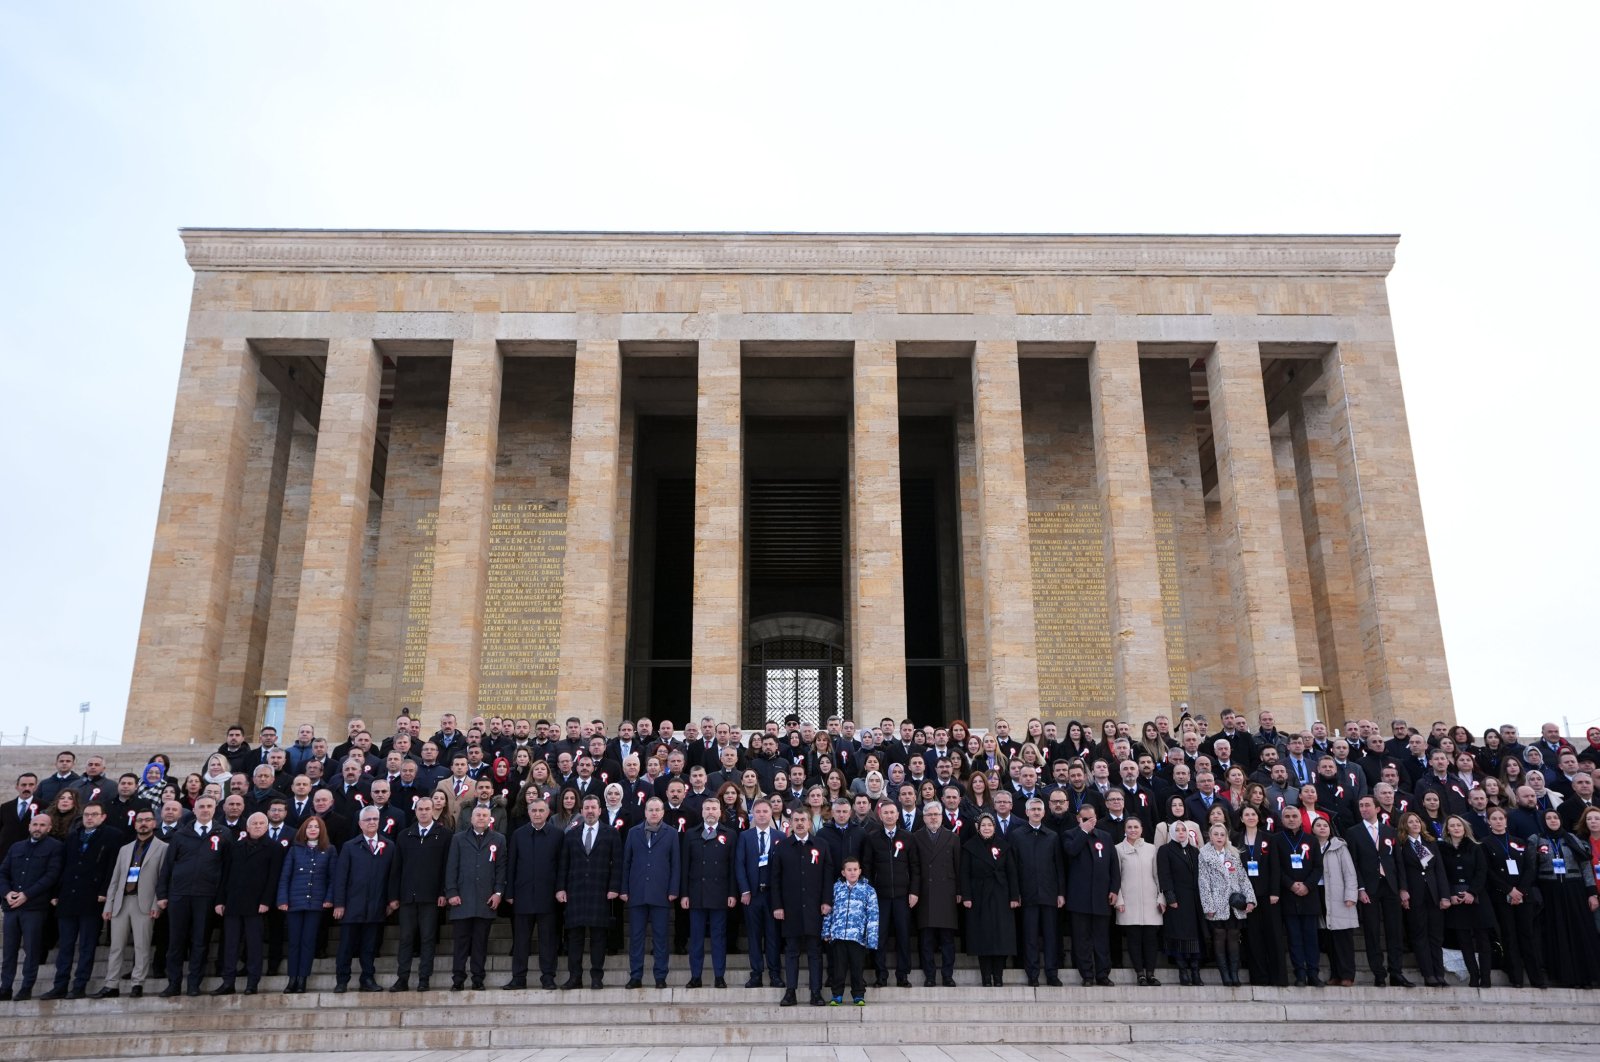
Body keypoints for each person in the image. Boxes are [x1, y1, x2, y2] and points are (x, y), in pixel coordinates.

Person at [40, 801, 119, 1000]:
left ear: (103, 817)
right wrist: (57, 893)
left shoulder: (112, 836)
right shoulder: (73, 836)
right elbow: (64, 866)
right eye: (86, 815)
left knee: (87, 945)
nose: (89, 818)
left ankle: (79, 985)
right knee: (65, 945)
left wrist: (104, 892)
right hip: (68, 897)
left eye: (94, 814)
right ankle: (60, 984)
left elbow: (111, 868)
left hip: (92, 898)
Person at [157, 794, 231, 997]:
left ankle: (193, 984)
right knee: (175, 942)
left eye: (209, 806)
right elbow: (168, 867)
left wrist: (220, 899)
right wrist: (162, 894)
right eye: (201, 806)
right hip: (179, 895)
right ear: (194, 810)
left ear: (215, 809)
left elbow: (226, 870)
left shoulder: (223, 833)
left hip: (206, 896)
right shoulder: (181, 834)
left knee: (200, 942)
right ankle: (173, 983)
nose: (205, 809)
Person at [97, 808, 166, 998]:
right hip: (121, 902)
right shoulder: (125, 849)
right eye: (140, 820)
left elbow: (162, 880)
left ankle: (138, 983)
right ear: (135, 824)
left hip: (143, 903)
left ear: (154, 823)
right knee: (116, 947)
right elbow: (115, 879)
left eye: (147, 820)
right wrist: (109, 905)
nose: (143, 823)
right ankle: (111, 984)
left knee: (141, 946)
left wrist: (155, 905)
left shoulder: (163, 848)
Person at [213, 812, 283, 996]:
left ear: (267, 827)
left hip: (256, 905)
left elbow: (273, 878)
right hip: (233, 903)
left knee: (254, 946)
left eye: (261, 823)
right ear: (248, 826)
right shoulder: (235, 847)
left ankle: (252, 983)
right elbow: (225, 875)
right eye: (254, 823)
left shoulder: (274, 848)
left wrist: (266, 901)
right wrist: (220, 900)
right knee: (230, 945)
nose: (258, 826)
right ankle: (228, 982)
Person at [1345, 795, 1412, 987]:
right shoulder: (1353, 832)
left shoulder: (1390, 831)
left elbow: (1398, 862)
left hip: (1390, 886)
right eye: (1361, 806)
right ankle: (1379, 973)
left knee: (1395, 931)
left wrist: (1403, 888)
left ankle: (1396, 972)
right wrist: (1360, 888)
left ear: (1377, 809)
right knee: (1372, 932)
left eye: (1367, 805)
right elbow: (1353, 863)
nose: (1364, 809)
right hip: (1369, 887)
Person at [556, 793, 621, 990]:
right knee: (574, 937)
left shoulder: (611, 833)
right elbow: (563, 864)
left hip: (600, 892)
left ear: (600, 811)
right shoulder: (571, 834)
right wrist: (560, 888)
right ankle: (575, 977)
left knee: (598, 937)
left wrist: (614, 887)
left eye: (594, 808)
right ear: (581, 811)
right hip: (576, 892)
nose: (590, 811)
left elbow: (618, 863)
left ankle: (596, 977)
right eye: (587, 808)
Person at [771, 806, 833, 1007]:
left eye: (803, 820)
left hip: (815, 908)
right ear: (792, 822)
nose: (799, 823)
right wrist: (778, 905)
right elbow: (776, 879)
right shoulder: (782, 846)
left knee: (815, 951)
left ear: (809, 822)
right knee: (792, 951)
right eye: (796, 819)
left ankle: (816, 993)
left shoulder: (821, 845)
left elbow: (827, 876)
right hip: (790, 909)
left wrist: (826, 901)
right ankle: (791, 992)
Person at [1531, 808, 1600, 987]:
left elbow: (1586, 866)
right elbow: (1531, 869)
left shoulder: (1572, 839)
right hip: (1550, 892)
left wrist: (1592, 893)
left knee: (1580, 933)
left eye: (1556, 817)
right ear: (1543, 821)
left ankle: (1586, 977)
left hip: (1574, 890)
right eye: (1549, 818)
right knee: (1558, 933)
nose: (1553, 820)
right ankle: (1566, 977)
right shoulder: (1536, 840)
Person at [388, 795, 450, 992]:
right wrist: (393, 896)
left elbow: (446, 867)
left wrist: (443, 892)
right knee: (406, 938)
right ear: (415, 811)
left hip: (431, 897)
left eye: (427, 809)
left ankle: (424, 978)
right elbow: (396, 868)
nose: (423, 812)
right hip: (407, 897)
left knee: (427, 939)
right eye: (420, 809)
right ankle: (402, 978)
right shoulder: (405, 835)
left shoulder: (445, 834)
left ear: (433, 810)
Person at [332, 805, 396, 993]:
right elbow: (341, 877)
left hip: (376, 905)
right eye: (368, 820)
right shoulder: (350, 846)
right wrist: (339, 903)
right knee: (346, 947)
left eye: (375, 819)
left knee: (369, 948)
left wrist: (391, 900)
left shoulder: (389, 846)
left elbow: (392, 876)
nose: (372, 822)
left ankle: (367, 978)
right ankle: (342, 980)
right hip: (352, 906)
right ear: (360, 823)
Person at [502, 795, 563, 990]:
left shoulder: (557, 835)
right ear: (528, 813)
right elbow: (511, 865)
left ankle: (548, 977)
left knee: (548, 940)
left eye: (541, 811)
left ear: (548, 813)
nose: (537, 814)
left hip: (548, 896)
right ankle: (518, 978)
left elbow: (562, 866)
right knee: (521, 941)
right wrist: (509, 892)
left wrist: (560, 890)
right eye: (533, 811)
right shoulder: (518, 835)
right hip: (522, 896)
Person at [1481, 805, 1546, 988]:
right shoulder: (1485, 843)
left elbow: (1529, 868)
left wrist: (1521, 890)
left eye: (1501, 818)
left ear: (1506, 821)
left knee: (1528, 935)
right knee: (1509, 936)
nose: (1498, 821)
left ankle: (1536, 979)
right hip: (1502, 896)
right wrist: (1509, 890)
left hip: (1524, 896)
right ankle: (1516, 978)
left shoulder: (1520, 841)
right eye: (1494, 818)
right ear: (1488, 822)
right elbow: (1489, 872)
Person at [0, 812, 62, 1001]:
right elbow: (3, 872)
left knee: (32, 949)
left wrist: (27, 895)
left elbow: (51, 876)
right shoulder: (16, 847)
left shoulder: (56, 847)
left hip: (34, 907)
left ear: (49, 828)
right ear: (29, 826)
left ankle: (27, 987)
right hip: (12, 907)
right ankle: (5, 987)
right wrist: (7, 892)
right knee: (9, 950)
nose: (38, 828)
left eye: (43, 825)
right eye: (35, 824)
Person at [444, 804, 506, 991]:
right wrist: (452, 892)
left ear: (490, 819)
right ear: (471, 819)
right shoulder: (458, 839)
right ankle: (458, 979)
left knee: (480, 943)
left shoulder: (499, 839)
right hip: (462, 899)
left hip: (485, 900)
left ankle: (478, 979)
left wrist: (498, 893)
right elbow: (451, 867)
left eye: (484, 815)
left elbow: (501, 868)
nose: (481, 818)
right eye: (477, 815)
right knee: (461, 943)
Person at [620, 796, 679, 989]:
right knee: (636, 938)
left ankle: (660, 976)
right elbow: (626, 862)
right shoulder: (633, 832)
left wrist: (673, 889)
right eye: (650, 810)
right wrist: (624, 889)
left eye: (657, 810)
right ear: (645, 812)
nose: (654, 813)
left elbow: (675, 864)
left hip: (661, 893)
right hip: (637, 892)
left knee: (661, 938)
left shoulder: (671, 833)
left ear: (663, 812)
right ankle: (635, 976)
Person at [680, 796, 737, 989]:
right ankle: (696, 976)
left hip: (720, 894)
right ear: (702, 812)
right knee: (696, 938)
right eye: (707, 809)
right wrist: (685, 894)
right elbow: (685, 866)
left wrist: (732, 893)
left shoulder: (729, 834)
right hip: (696, 894)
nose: (711, 812)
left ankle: (719, 976)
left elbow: (732, 867)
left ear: (720, 812)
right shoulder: (690, 834)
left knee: (718, 938)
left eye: (714, 809)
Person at [276, 815, 335, 994]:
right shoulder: (295, 850)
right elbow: (285, 876)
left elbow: (332, 878)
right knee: (294, 942)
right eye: (309, 827)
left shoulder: (330, 850)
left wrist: (329, 898)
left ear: (321, 830)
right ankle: (292, 978)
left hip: (315, 903)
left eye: (316, 827)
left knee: (308, 942)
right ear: (304, 830)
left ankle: (302, 979)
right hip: (294, 903)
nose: (312, 830)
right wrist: (283, 900)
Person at [861, 798, 915, 988]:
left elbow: (915, 867)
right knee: (880, 937)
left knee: (903, 936)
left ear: (898, 815)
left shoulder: (908, 837)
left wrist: (914, 891)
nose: (889, 816)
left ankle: (903, 975)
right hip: (880, 897)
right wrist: (869, 892)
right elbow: (866, 866)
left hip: (902, 896)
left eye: (893, 812)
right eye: (886, 813)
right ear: (880, 815)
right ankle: (881, 975)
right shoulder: (872, 838)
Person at [1012, 796, 1066, 987]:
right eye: (1032, 809)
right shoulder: (1017, 835)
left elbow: (1058, 866)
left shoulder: (1052, 836)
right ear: (1026, 812)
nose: (1036, 812)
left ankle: (1052, 974)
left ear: (1044, 812)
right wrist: (1015, 893)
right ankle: (1032, 974)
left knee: (1051, 937)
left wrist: (1060, 893)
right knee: (1030, 937)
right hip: (1027, 896)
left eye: (1039, 809)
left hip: (1049, 894)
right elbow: (1014, 867)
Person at [1063, 804, 1119, 986]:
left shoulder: (1105, 837)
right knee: (1082, 939)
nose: (1089, 822)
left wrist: (1114, 889)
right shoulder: (1070, 835)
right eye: (1085, 819)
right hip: (1079, 898)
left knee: (1102, 939)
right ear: (1079, 818)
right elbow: (1071, 851)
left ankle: (1103, 974)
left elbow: (1114, 866)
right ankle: (1087, 974)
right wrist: (1084, 831)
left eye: (1092, 819)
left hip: (1101, 897)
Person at [1436, 814, 1495, 987]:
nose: (1456, 828)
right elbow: (1442, 874)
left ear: (1464, 828)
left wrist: (1472, 893)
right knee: (1464, 941)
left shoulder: (1476, 847)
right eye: (1452, 826)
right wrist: (1449, 894)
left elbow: (1481, 871)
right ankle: (1474, 975)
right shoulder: (1442, 849)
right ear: (1447, 829)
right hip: (1456, 900)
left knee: (1482, 940)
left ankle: (1486, 976)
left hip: (1477, 899)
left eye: (1459, 825)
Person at [908, 802, 960, 988]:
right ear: (924, 818)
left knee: (947, 940)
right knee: (927, 940)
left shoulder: (952, 838)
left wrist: (960, 892)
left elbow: (958, 867)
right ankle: (929, 976)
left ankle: (947, 975)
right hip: (925, 894)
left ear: (942, 816)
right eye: (929, 815)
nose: (933, 818)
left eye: (936, 814)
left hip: (947, 894)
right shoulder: (915, 837)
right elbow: (913, 867)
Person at [1198, 822, 1255, 986]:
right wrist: (1208, 906)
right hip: (1217, 903)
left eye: (1222, 835)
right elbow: (1203, 881)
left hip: (1234, 903)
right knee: (1219, 936)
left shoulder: (1233, 854)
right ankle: (1225, 974)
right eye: (1216, 834)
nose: (1219, 837)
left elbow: (1243, 878)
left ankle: (1234, 973)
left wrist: (1250, 899)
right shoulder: (1204, 854)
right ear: (1210, 836)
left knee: (1234, 937)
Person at [1236, 804, 1288, 986]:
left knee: (1273, 935)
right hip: (1247, 896)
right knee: (1253, 937)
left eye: (1253, 814)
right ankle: (1259, 977)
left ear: (1258, 818)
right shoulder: (1236, 839)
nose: (1250, 817)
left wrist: (1275, 892)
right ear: (1241, 819)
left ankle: (1278, 977)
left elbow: (1275, 867)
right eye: (1246, 815)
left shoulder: (1269, 838)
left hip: (1267, 894)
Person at [735, 798, 784, 990]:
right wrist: (745, 890)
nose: (762, 814)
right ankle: (756, 973)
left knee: (773, 936)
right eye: (759, 812)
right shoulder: (745, 837)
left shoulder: (780, 836)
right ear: (753, 815)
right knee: (754, 936)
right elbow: (739, 864)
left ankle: (774, 974)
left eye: (765, 811)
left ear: (771, 813)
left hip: (772, 896)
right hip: (752, 895)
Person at [1396, 809, 1449, 987]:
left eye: (1417, 821)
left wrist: (1444, 895)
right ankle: (1428, 975)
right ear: (1405, 825)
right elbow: (1401, 869)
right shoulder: (1401, 845)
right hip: (1415, 894)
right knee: (1420, 935)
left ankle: (1439, 974)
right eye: (1411, 822)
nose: (1415, 824)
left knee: (1436, 936)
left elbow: (1440, 870)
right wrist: (1403, 890)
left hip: (1433, 894)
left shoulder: (1430, 842)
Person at [822, 855, 879, 1006]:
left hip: (857, 937)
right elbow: (829, 911)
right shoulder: (836, 888)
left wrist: (871, 938)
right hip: (839, 935)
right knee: (838, 968)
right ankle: (837, 995)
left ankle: (858, 995)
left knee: (857, 967)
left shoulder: (868, 890)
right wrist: (826, 931)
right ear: (843, 872)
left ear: (860, 871)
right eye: (849, 870)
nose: (852, 872)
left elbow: (873, 915)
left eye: (855, 869)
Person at [1112, 816, 1162, 986]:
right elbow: (1116, 876)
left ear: (1141, 829)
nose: (1133, 830)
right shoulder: (1118, 849)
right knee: (1133, 939)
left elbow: (1157, 875)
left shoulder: (1151, 849)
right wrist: (1119, 899)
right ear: (1124, 830)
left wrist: (1161, 897)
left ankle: (1151, 973)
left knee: (1150, 939)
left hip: (1150, 901)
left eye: (1136, 827)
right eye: (1129, 827)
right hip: (1128, 901)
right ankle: (1140, 973)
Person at [1279, 807, 1326, 985]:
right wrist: (1291, 884)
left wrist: (1307, 885)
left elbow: (1318, 867)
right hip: (1289, 895)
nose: (1291, 820)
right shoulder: (1277, 840)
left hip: (1309, 896)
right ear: (1282, 819)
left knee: (1311, 937)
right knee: (1294, 937)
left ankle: (1313, 973)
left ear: (1301, 819)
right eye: (1287, 817)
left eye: (1294, 816)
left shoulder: (1311, 840)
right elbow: (1277, 868)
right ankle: (1299, 973)